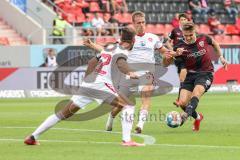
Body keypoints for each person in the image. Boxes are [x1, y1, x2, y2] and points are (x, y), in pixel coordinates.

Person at [24, 27, 145, 147]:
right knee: (128, 105)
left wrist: (92, 46)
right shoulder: (122, 52)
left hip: (88, 84)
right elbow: (121, 63)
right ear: (133, 41)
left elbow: (96, 58)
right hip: (101, 85)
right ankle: (127, 140)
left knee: (63, 113)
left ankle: (33, 137)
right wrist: (130, 72)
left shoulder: (111, 46)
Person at [105, 11, 184, 134]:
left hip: (148, 72)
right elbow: (113, 50)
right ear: (133, 23)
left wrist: (175, 53)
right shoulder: (127, 38)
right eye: (138, 23)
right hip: (130, 73)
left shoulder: (152, 38)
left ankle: (140, 125)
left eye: (143, 22)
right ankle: (111, 117)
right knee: (121, 104)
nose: (141, 25)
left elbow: (164, 52)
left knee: (146, 98)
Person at [165, 22, 228, 131]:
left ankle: (185, 115)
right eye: (186, 36)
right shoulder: (179, 46)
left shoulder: (204, 38)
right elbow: (166, 62)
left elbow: (215, 44)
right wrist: (175, 54)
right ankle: (198, 117)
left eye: (191, 35)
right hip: (190, 75)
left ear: (195, 32)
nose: (188, 38)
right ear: (183, 34)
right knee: (183, 102)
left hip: (206, 73)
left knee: (196, 93)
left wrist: (221, 57)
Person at [168, 13, 190, 106]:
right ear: (179, 21)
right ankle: (187, 97)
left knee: (182, 78)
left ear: (187, 21)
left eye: (185, 19)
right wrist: (171, 50)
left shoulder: (190, 31)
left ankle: (179, 100)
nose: (183, 21)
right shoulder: (175, 31)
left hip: (187, 58)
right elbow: (168, 41)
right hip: (178, 58)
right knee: (183, 80)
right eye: (181, 19)